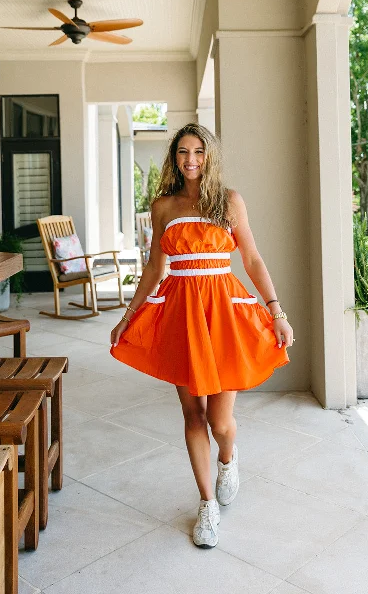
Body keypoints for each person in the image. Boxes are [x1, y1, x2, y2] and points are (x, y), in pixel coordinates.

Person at [110, 123, 294, 549]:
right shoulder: (162, 207)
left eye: (197, 151)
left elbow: (250, 257)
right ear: (174, 157)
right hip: (181, 314)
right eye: (182, 152)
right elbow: (155, 270)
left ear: (209, 156)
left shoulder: (228, 201)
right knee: (192, 414)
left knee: (220, 420)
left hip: (223, 313)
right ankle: (206, 504)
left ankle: (228, 461)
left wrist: (276, 311)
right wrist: (128, 315)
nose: (190, 159)